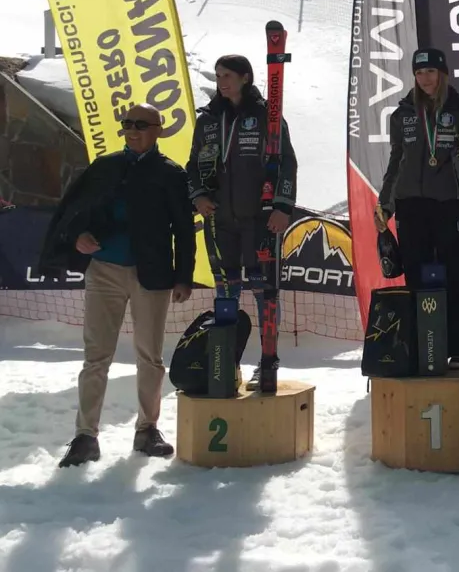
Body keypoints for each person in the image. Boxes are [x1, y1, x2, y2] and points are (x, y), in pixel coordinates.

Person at [39, 104, 195, 468]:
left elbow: (185, 232)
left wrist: (183, 276)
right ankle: (85, 436)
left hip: (151, 274)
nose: (133, 130)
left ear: (158, 130)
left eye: (141, 125)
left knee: (150, 358)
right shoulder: (105, 167)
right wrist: (77, 237)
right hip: (103, 271)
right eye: (127, 124)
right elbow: (71, 213)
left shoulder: (171, 174)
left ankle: (147, 430)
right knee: (96, 357)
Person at [374, 47, 459, 367]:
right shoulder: (402, 114)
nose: (425, 79)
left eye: (430, 72)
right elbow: (396, 162)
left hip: (449, 203)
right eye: (419, 73)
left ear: (442, 73)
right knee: (415, 276)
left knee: (455, 275)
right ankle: (421, 349)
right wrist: (385, 205)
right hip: (410, 204)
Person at [187, 54, 298, 391]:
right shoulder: (208, 119)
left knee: (265, 292)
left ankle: (267, 361)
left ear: (246, 78)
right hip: (220, 220)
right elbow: (193, 164)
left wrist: (283, 206)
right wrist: (198, 196)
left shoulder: (267, 116)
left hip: (259, 219)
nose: (222, 81)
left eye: (229, 76)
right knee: (226, 291)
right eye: (219, 75)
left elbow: (287, 164)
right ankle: (226, 361)